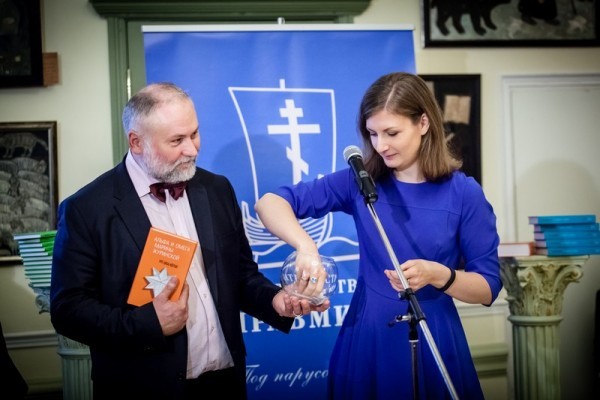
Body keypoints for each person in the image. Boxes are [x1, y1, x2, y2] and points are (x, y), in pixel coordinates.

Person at [50, 82, 329, 400]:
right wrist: (149, 323)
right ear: (136, 142)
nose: (193, 149)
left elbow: (240, 275)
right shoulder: (87, 209)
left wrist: (276, 300)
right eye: (177, 140)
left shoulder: (216, 189)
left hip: (224, 383)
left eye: (194, 134)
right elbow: (68, 310)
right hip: (144, 388)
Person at [254, 72, 503, 399]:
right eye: (372, 133)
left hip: (434, 334)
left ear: (423, 123)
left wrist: (439, 275)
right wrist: (306, 246)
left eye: (392, 133)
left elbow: (488, 287)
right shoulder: (360, 181)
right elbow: (269, 203)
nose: (380, 145)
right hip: (367, 337)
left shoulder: (464, 194)